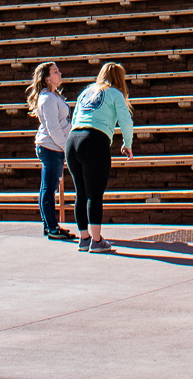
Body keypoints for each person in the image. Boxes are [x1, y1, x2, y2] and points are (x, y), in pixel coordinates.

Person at [66, 63, 134, 252]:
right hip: (95, 140)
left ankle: (84, 238)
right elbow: (126, 121)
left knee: (80, 192)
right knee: (94, 194)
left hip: (72, 141)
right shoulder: (116, 94)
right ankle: (97, 241)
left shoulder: (86, 92)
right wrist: (128, 144)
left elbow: (74, 118)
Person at [26, 61, 75, 241]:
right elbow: (53, 128)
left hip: (54, 147)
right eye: (55, 72)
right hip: (51, 147)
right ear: (47, 78)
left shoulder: (54, 96)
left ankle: (50, 226)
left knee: (49, 187)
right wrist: (65, 147)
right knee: (48, 188)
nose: (60, 74)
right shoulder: (47, 98)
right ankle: (51, 227)